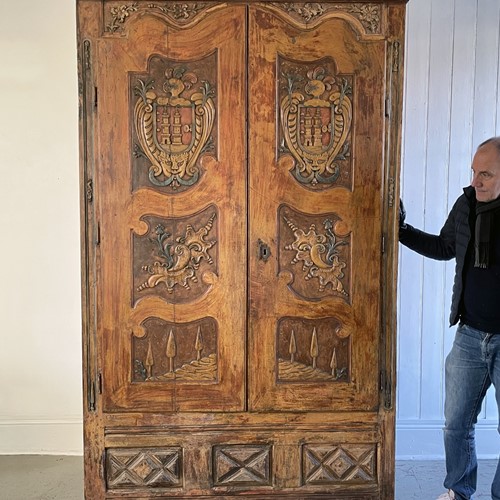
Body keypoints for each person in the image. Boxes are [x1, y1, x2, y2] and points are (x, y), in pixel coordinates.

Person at [399, 137, 500, 500]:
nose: (476, 181)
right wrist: (402, 230)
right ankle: (458, 491)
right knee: (456, 425)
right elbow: (444, 247)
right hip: (470, 336)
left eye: (485, 174)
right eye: (474, 172)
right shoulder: (466, 205)